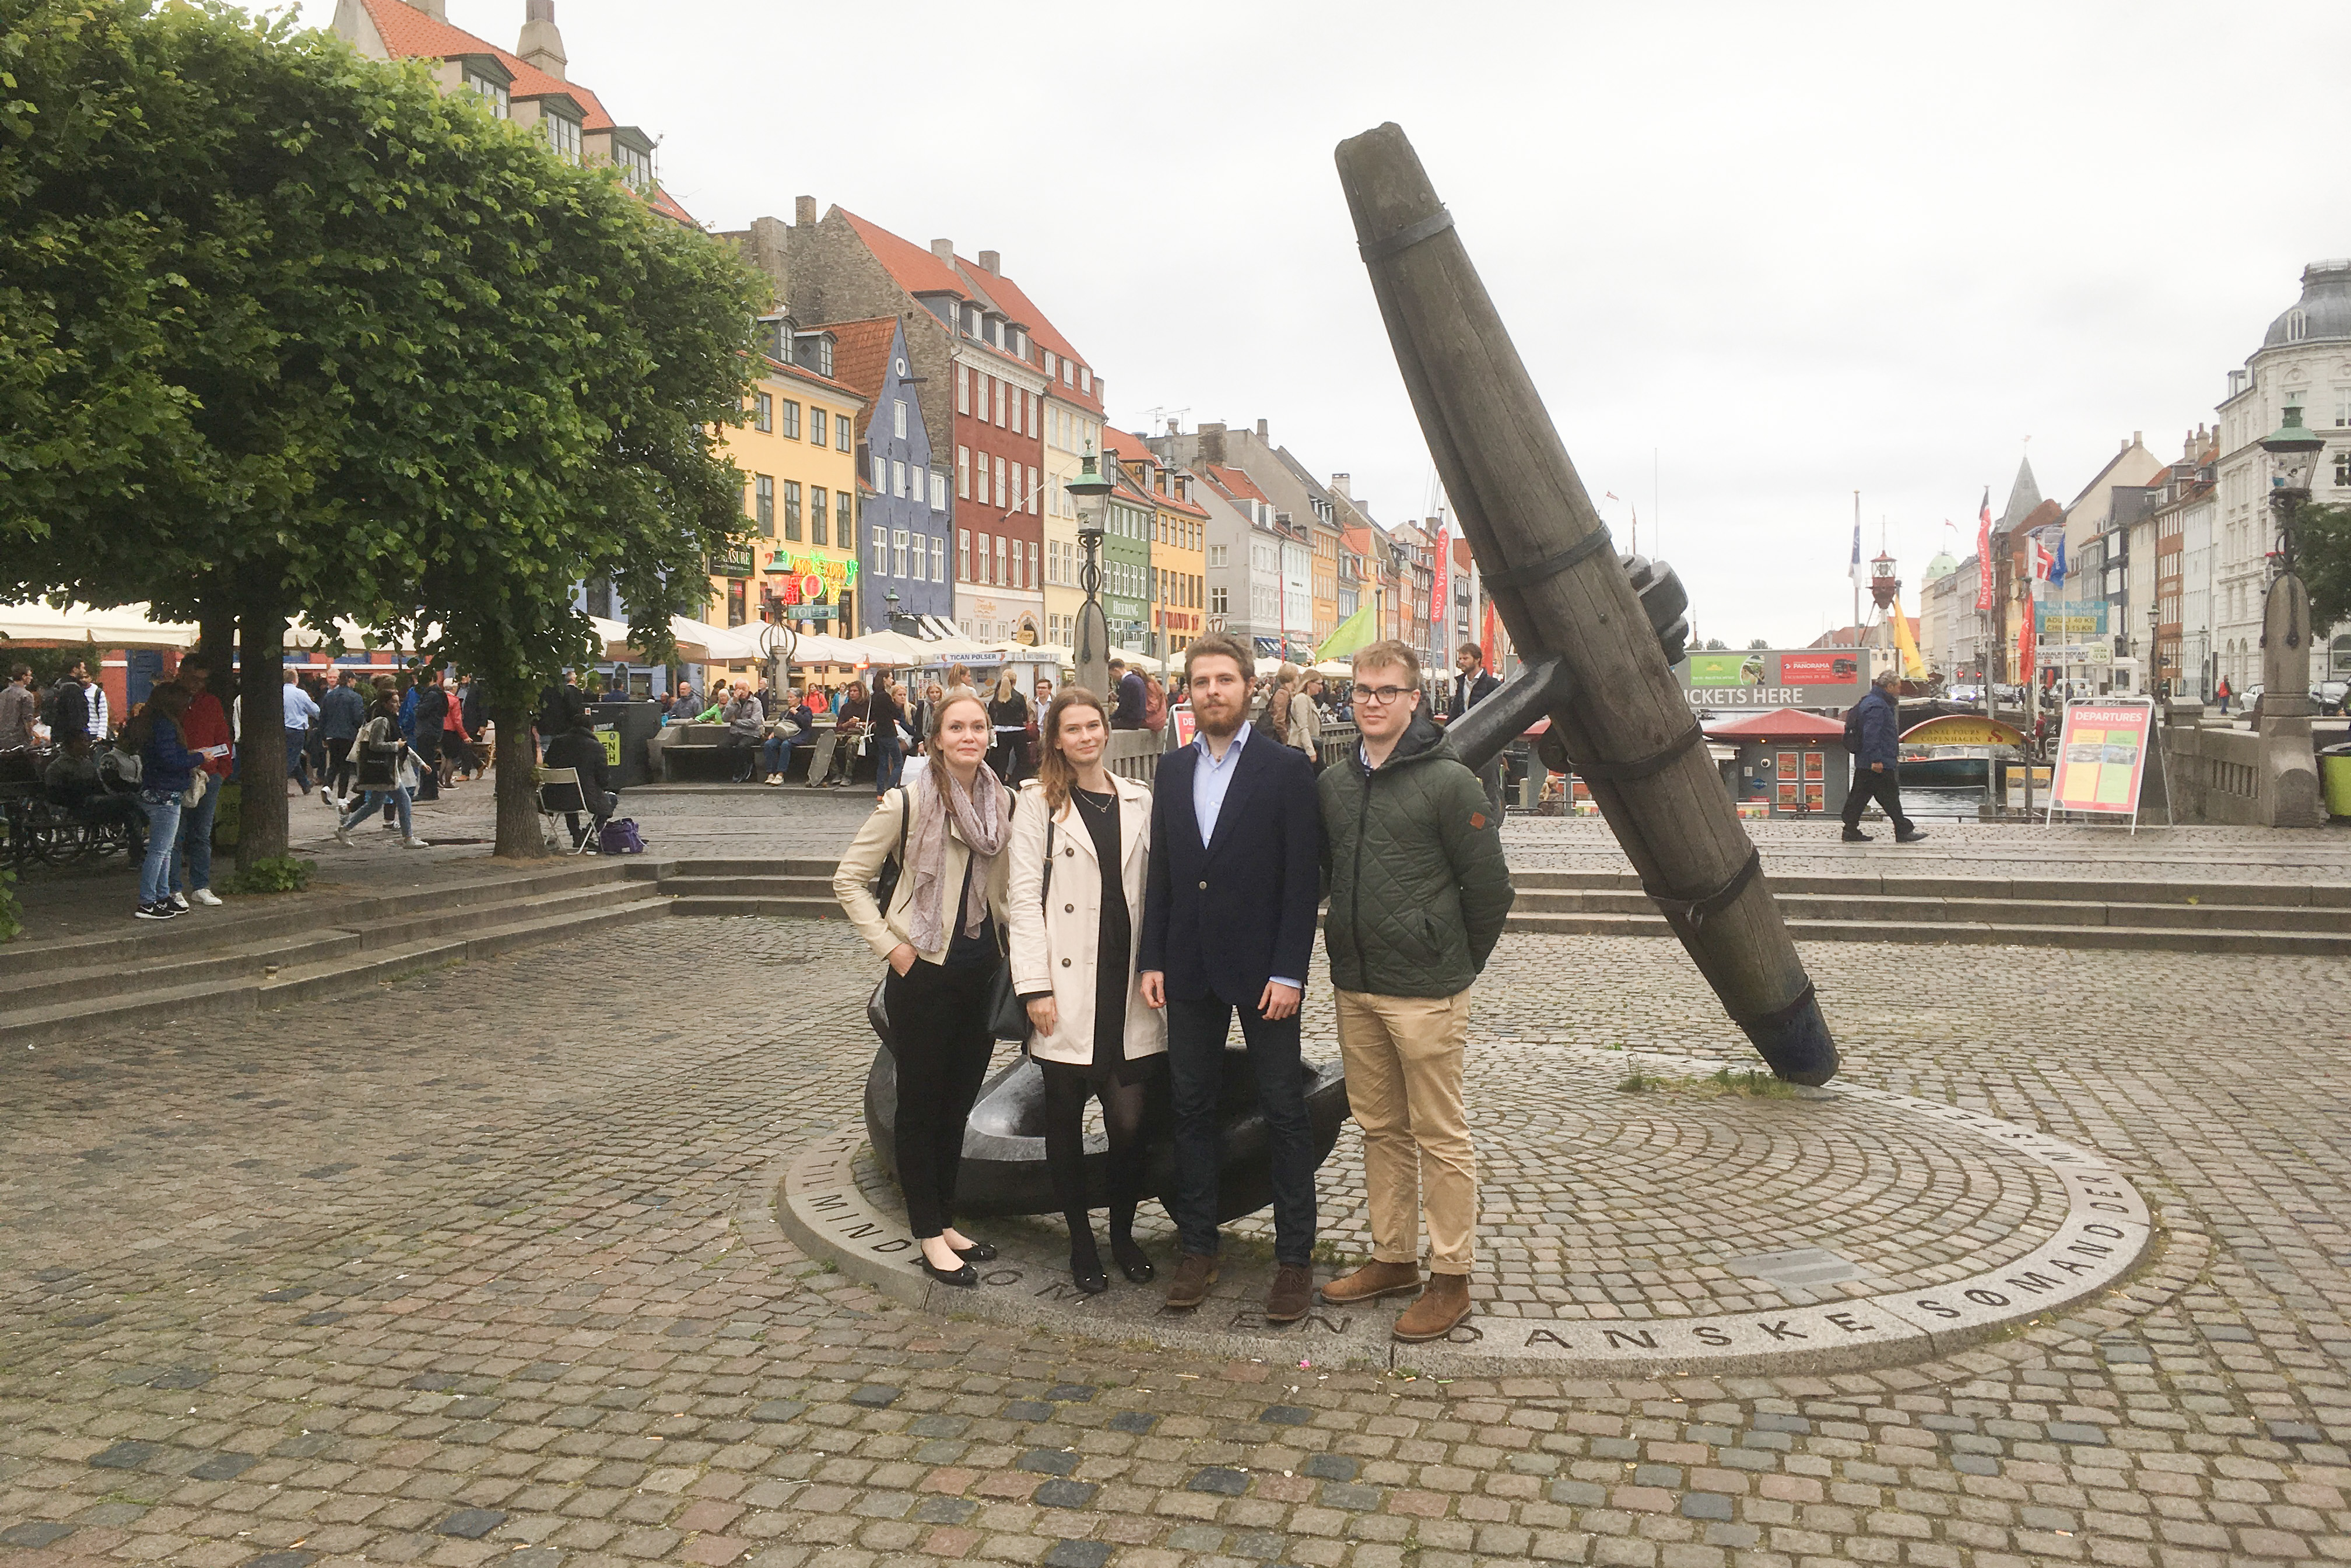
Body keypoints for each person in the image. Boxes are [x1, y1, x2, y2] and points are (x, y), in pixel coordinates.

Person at [1314, 641, 1515, 1341]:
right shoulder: (1336, 785)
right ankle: (1393, 1257)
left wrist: (1452, 960)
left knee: (1440, 1134)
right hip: (1358, 984)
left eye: (1387, 691)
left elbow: (1490, 890)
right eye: (1363, 690)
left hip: (1426, 988)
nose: (1371, 701)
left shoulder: (1450, 781)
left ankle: (1451, 1276)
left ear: (1414, 700)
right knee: (1380, 1130)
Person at [1138, 632, 1322, 1322]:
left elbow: (1302, 882)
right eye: (1201, 680)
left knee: (1283, 1110)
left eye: (1224, 679)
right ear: (1189, 689)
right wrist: (1152, 956)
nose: (1212, 690)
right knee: (1189, 1108)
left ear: (1249, 688)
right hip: (1188, 964)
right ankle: (1197, 1245)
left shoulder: (1283, 770)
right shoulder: (1174, 768)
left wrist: (1289, 972)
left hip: (1263, 970)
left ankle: (1294, 1260)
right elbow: (1164, 874)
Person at [831, 689, 1010, 1289]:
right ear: (936, 738)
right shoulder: (907, 803)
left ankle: (947, 1217)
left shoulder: (1000, 801)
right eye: (956, 726)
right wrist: (894, 948)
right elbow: (849, 880)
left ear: (989, 735)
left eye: (977, 726)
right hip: (923, 973)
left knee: (958, 1105)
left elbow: (1006, 893)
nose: (968, 735)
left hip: (980, 974)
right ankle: (927, 1233)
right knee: (920, 1108)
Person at [1008, 687, 1166, 1294]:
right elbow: (1023, 901)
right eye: (1070, 729)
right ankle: (1081, 1242)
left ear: (1106, 729)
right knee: (1066, 1126)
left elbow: (1155, 891)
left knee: (1129, 1125)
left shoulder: (1138, 799)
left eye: (1092, 725)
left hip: (1126, 983)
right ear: (1056, 739)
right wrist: (1034, 988)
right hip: (1066, 986)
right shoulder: (1037, 804)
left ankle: (1123, 1233)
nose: (1084, 737)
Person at [122, 683, 197, 920]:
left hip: (156, 791)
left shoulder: (152, 724)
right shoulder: (166, 726)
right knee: (159, 851)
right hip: (165, 793)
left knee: (164, 851)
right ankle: (147, 901)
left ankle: (163, 896)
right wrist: (196, 757)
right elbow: (170, 760)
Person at [173, 653, 233, 908]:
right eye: (193, 679)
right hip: (178, 772)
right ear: (182, 674)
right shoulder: (171, 701)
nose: (197, 685)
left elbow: (222, 735)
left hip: (209, 773)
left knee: (202, 833)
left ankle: (201, 885)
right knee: (176, 835)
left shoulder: (211, 703)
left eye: (202, 681)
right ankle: (174, 888)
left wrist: (222, 769)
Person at [333, 692, 430, 848]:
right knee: (404, 800)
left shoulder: (390, 721)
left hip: (385, 770)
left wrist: (420, 762)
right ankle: (408, 837)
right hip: (385, 769)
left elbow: (402, 745)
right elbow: (375, 745)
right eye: (394, 702)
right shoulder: (382, 721)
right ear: (385, 704)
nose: (398, 705)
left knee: (375, 804)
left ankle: (344, 829)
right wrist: (395, 746)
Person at [1842, 669, 1926, 844]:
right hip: (1877, 762)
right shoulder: (1878, 706)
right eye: (1898, 687)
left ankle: (1850, 830)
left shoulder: (1870, 701)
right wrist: (1876, 759)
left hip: (1867, 761)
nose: (1899, 691)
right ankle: (1903, 830)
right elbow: (1872, 734)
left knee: (1861, 796)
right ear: (1889, 687)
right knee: (1889, 796)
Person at [1437, 642, 1504, 817]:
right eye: (1460, 659)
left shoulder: (1492, 685)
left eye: (1465, 658)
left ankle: (1493, 820)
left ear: (1478, 659)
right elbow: (1456, 713)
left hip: (1488, 742)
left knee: (1491, 785)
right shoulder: (1461, 685)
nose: (1461, 662)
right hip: (1464, 739)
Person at [542, 712, 619, 849]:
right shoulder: (596, 747)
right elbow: (603, 778)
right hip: (584, 798)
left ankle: (576, 834)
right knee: (611, 800)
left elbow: (547, 764)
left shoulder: (557, 742)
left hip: (552, 797)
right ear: (592, 729)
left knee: (569, 795)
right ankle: (585, 835)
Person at [318, 670, 367, 805]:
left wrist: (323, 735)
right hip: (348, 735)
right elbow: (358, 718)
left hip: (331, 734)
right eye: (354, 680)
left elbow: (323, 717)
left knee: (334, 762)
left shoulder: (329, 696)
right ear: (350, 680)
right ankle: (341, 796)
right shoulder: (355, 697)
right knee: (345, 765)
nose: (355, 682)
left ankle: (327, 786)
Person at [987, 668, 1031, 783]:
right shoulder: (1019, 697)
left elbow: (991, 713)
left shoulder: (997, 697)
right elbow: (1025, 716)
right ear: (1015, 681)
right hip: (1017, 730)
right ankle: (1016, 780)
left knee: (1002, 759)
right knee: (1022, 758)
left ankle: (1001, 782)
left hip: (1001, 731)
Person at [762, 689, 814, 784]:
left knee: (786, 745)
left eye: (791, 697)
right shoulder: (786, 712)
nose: (789, 700)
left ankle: (781, 774)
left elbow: (806, 724)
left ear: (798, 699)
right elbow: (781, 723)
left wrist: (797, 714)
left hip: (800, 735)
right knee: (769, 744)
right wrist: (775, 732)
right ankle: (771, 773)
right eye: (788, 697)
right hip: (785, 734)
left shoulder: (806, 710)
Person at [281, 668, 320, 795]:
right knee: (292, 759)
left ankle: (305, 784)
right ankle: (280, 787)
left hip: (281, 730)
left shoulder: (278, 692)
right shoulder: (300, 693)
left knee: (292, 757)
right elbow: (315, 710)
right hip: (296, 729)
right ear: (295, 680)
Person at [823, 679, 868, 787]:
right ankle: (835, 774)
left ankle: (848, 775)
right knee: (827, 742)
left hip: (861, 734)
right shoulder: (846, 707)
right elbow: (839, 726)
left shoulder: (868, 706)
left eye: (855, 691)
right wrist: (847, 724)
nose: (852, 693)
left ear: (861, 692)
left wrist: (861, 724)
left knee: (852, 743)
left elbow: (874, 723)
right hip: (846, 732)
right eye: (850, 691)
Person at [869, 673, 907, 799]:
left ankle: (880, 792)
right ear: (885, 679)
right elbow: (894, 712)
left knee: (883, 762)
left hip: (879, 732)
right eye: (890, 678)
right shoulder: (885, 696)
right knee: (898, 762)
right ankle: (890, 790)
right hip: (889, 732)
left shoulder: (874, 695)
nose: (892, 680)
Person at [721, 686, 764, 783]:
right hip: (735, 733)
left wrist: (736, 722)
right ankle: (735, 769)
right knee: (722, 747)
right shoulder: (732, 702)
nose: (741, 692)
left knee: (742, 747)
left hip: (752, 734)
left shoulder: (755, 702)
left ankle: (743, 769)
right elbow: (725, 718)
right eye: (739, 689)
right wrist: (733, 704)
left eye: (744, 689)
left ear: (749, 689)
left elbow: (754, 722)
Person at [43, 661, 92, 746]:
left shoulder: (58, 684)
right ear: (75, 669)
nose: (84, 671)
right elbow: (77, 714)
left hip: (56, 732)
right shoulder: (73, 688)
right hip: (71, 737)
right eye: (82, 668)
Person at [0, 665, 37, 752]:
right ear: (24, 677)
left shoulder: (3, 693)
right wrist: (32, 737)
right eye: (29, 675)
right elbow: (28, 720)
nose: (31, 678)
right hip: (19, 740)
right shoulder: (27, 695)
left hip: (2, 737)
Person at [1108, 658, 1147, 730]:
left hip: (1130, 721)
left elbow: (1123, 707)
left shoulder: (1126, 682)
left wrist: (1110, 718)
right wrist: (1118, 699)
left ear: (1116, 670)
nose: (1113, 677)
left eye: (1111, 674)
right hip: (1139, 720)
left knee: (1105, 725)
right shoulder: (1137, 679)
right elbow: (1133, 700)